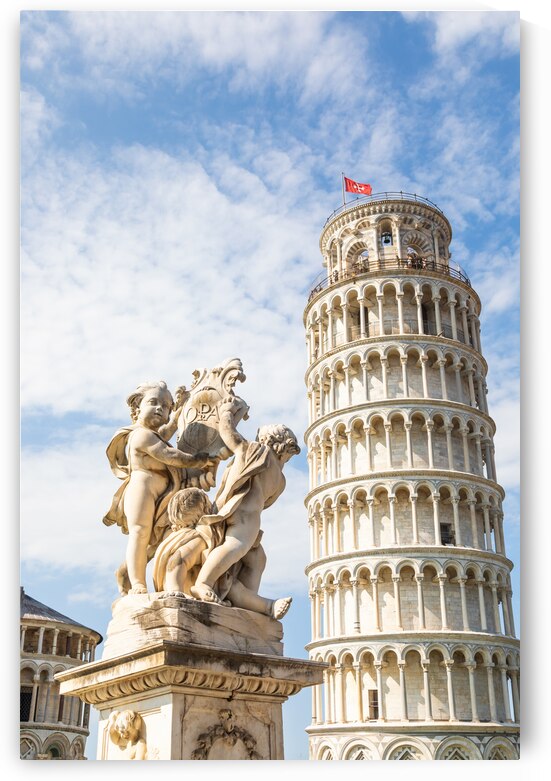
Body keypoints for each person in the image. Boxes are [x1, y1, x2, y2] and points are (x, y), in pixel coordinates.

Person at [103, 381, 215, 595]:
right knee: (140, 532)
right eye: (153, 403)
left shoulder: (155, 435)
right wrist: (197, 461)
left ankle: (126, 571)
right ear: (137, 409)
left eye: (165, 406)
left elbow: (165, 432)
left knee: (156, 543)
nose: (160, 409)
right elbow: (170, 455)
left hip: (163, 495)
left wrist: (179, 412)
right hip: (142, 488)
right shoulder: (141, 435)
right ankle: (138, 583)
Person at [190, 397, 300, 607]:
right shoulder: (262, 454)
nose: (288, 458)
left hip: (240, 513)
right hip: (245, 516)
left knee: (257, 558)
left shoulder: (279, 477)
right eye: (288, 452)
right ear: (279, 446)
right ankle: (203, 582)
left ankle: (244, 599)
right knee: (235, 546)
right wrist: (226, 413)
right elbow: (232, 438)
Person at [153, 487, 292, 618]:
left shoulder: (203, 536)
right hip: (189, 588)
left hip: (209, 584)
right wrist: (176, 592)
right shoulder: (198, 538)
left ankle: (268, 607)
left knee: (234, 585)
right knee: (235, 589)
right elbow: (177, 560)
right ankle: (268, 606)